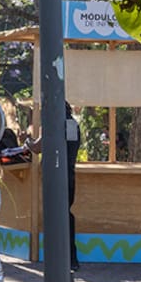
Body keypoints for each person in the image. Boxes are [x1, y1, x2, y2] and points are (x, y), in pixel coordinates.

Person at [28, 104, 81, 271]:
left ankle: (57, 257)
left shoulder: (53, 124)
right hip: (69, 175)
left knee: (54, 217)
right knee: (66, 215)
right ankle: (71, 258)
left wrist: (27, 140)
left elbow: (36, 148)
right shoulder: (72, 125)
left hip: (54, 177)